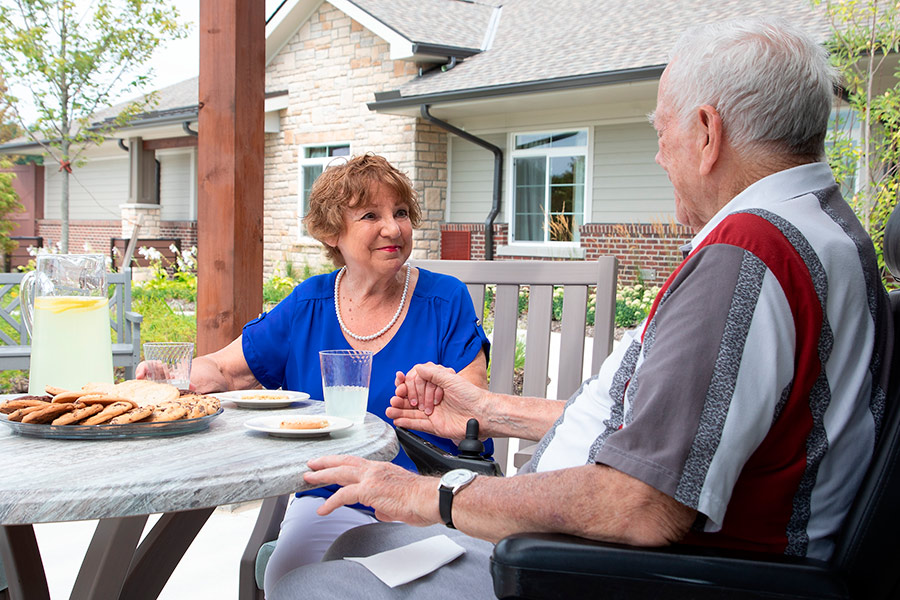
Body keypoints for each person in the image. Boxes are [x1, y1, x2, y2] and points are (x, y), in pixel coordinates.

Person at [267, 17, 894, 600]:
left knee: (305, 585)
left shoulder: (748, 254)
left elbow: (637, 504)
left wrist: (434, 492)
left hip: (611, 571)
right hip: (607, 550)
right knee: (360, 540)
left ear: (706, 133)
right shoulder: (823, 229)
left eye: (660, 132)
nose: (658, 157)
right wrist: (490, 410)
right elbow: (670, 426)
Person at [136, 153, 490, 593]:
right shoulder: (309, 304)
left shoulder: (444, 299)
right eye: (370, 215)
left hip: (424, 495)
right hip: (331, 495)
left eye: (400, 213)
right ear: (332, 232)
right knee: (291, 581)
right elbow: (225, 371)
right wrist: (167, 377)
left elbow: (474, 402)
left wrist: (443, 397)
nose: (394, 228)